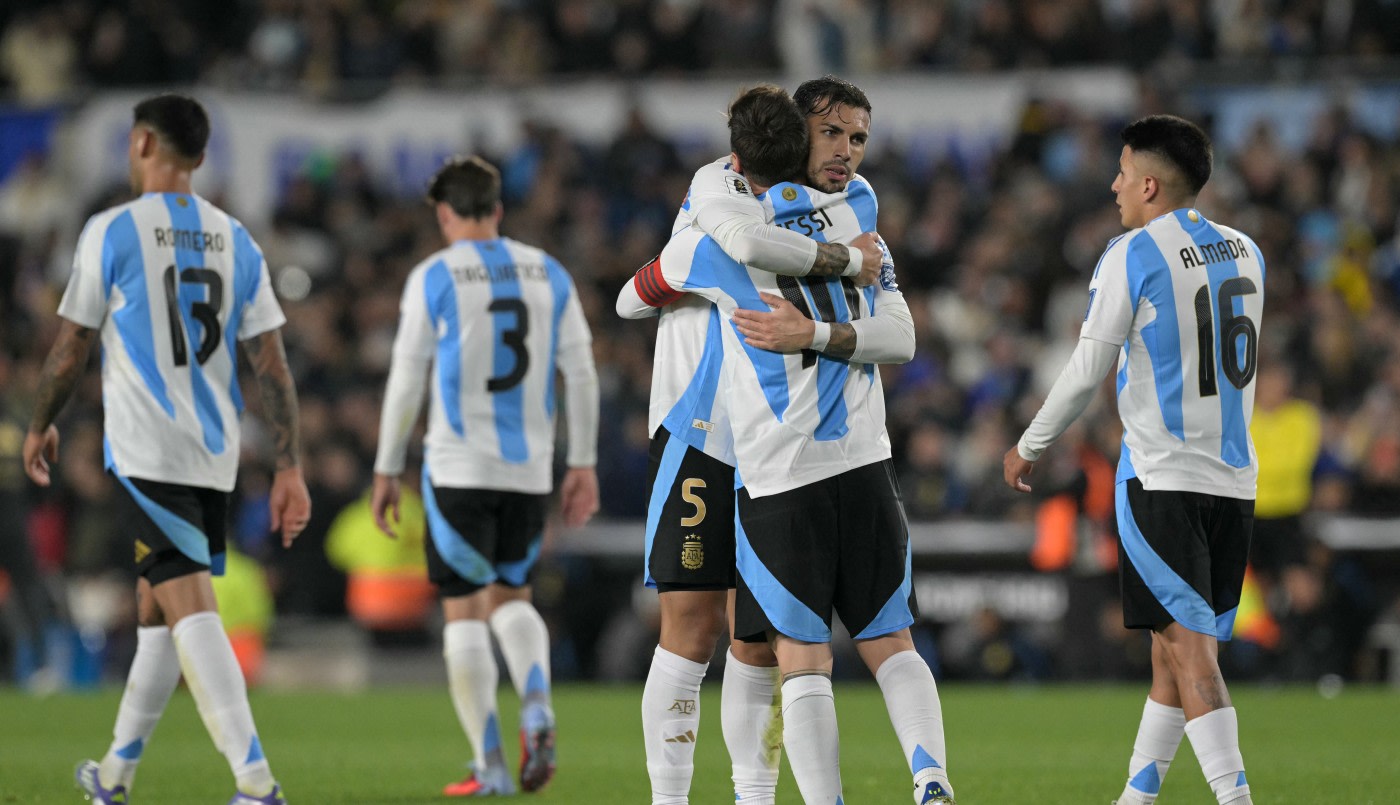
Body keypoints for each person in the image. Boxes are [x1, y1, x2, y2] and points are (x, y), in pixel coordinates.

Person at [628, 77, 955, 805]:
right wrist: (842, 265)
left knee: (761, 641)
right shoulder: (723, 182)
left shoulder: (852, 209)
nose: (847, 151)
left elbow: (897, 329)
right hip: (702, 427)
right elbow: (651, 285)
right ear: (793, 129)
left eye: (858, 138)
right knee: (692, 624)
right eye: (833, 133)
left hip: (782, 452)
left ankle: (755, 795)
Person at [22, 93, 309, 805]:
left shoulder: (112, 230)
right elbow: (271, 362)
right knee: (155, 611)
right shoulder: (236, 238)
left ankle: (256, 782)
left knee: (189, 606)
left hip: (150, 449)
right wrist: (290, 461)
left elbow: (71, 345)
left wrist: (40, 421)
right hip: (215, 451)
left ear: (144, 143)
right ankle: (114, 775)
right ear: (202, 156)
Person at [1002, 114, 1262, 805]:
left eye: (1122, 172)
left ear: (1150, 184)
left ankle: (1236, 798)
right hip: (1233, 478)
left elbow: (1088, 367)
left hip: (1163, 477)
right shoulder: (1246, 250)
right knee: (1168, 648)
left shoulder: (1132, 253)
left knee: (1191, 651)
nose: (1114, 184)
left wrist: (1029, 443)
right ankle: (1135, 796)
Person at [371, 155, 600, 797]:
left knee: (465, 613)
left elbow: (407, 376)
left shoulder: (434, 275)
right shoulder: (547, 272)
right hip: (529, 469)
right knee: (514, 595)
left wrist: (387, 466)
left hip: (457, 463)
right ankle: (537, 703)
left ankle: (490, 761)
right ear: (498, 209)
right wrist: (581, 461)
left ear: (445, 215)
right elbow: (580, 372)